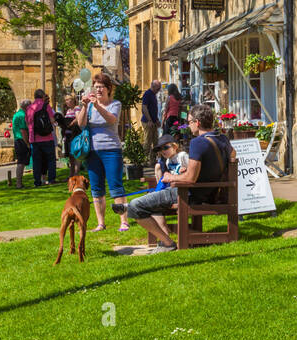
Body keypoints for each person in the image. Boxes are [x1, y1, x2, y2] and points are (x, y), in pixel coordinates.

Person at [127, 105, 231, 253]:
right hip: (211, 192)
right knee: (151, 201)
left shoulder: (198, 142)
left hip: (189, 194)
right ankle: (164, 241)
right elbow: (232, 155)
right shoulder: (223, 139)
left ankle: (168, 243)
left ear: (198, 123)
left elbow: (190, 178)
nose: (188, 126)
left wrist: (171, 177)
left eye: (189, 122)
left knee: (134, 207)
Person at [79, 72, 128, 231]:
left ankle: (123, 221)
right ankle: (101, 223)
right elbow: (80, 123)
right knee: (96, 187)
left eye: (101, 87)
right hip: (93, 151)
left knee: (115, 186)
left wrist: (97, 105)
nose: (98, 90)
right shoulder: (90, 106)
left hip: (111, 149)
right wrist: (85, 106)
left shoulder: (115, 104)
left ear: (108, 89)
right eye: (96, 87)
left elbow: (111, 119)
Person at [25, 89, 57, 187]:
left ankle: (37, 182)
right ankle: (51, 179)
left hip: (34, 138)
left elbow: (27, 123)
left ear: (34, 96)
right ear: (43, 96)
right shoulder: (46, 106)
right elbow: (52, 120)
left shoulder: (29, 108)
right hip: (47, 137)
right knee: (51, 159)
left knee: (36, 161)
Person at [11, 99, 30, 188]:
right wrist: (27, 143)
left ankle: (19, 183)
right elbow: (23, 131)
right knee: (21, 162)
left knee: (20, 161)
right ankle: (19, 183)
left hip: (17, 139)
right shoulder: (23, 115)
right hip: (21, 140)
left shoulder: (16, 114)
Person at [141, 79, 162, 150]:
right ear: (153, 86)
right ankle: (144, 159)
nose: (159, 90)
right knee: (148, 142)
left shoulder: (153, 94)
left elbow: (153, 109)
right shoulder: (147, 94)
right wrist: (149, 120)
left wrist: (157, 120)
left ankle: (153, 160)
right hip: (147, 121)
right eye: (158, 88)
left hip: (153, 121)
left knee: (156, 141)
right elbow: (144, 108)